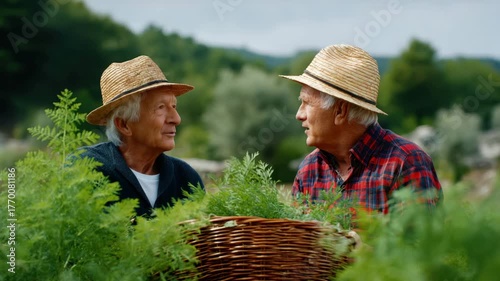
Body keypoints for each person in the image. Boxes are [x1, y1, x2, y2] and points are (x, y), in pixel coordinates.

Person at [279, 44, 442, 214]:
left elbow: (421, 239)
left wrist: (356, 240)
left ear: (340, 110)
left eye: (307, 103)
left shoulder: (406, 163)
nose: (299, 114)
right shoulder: (309, 170)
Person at [81, 55, 204, 218]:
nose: (176, 119)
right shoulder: (87, 169)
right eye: (161, 107)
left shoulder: (186, 179)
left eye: (174, 106)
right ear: (124, 124)